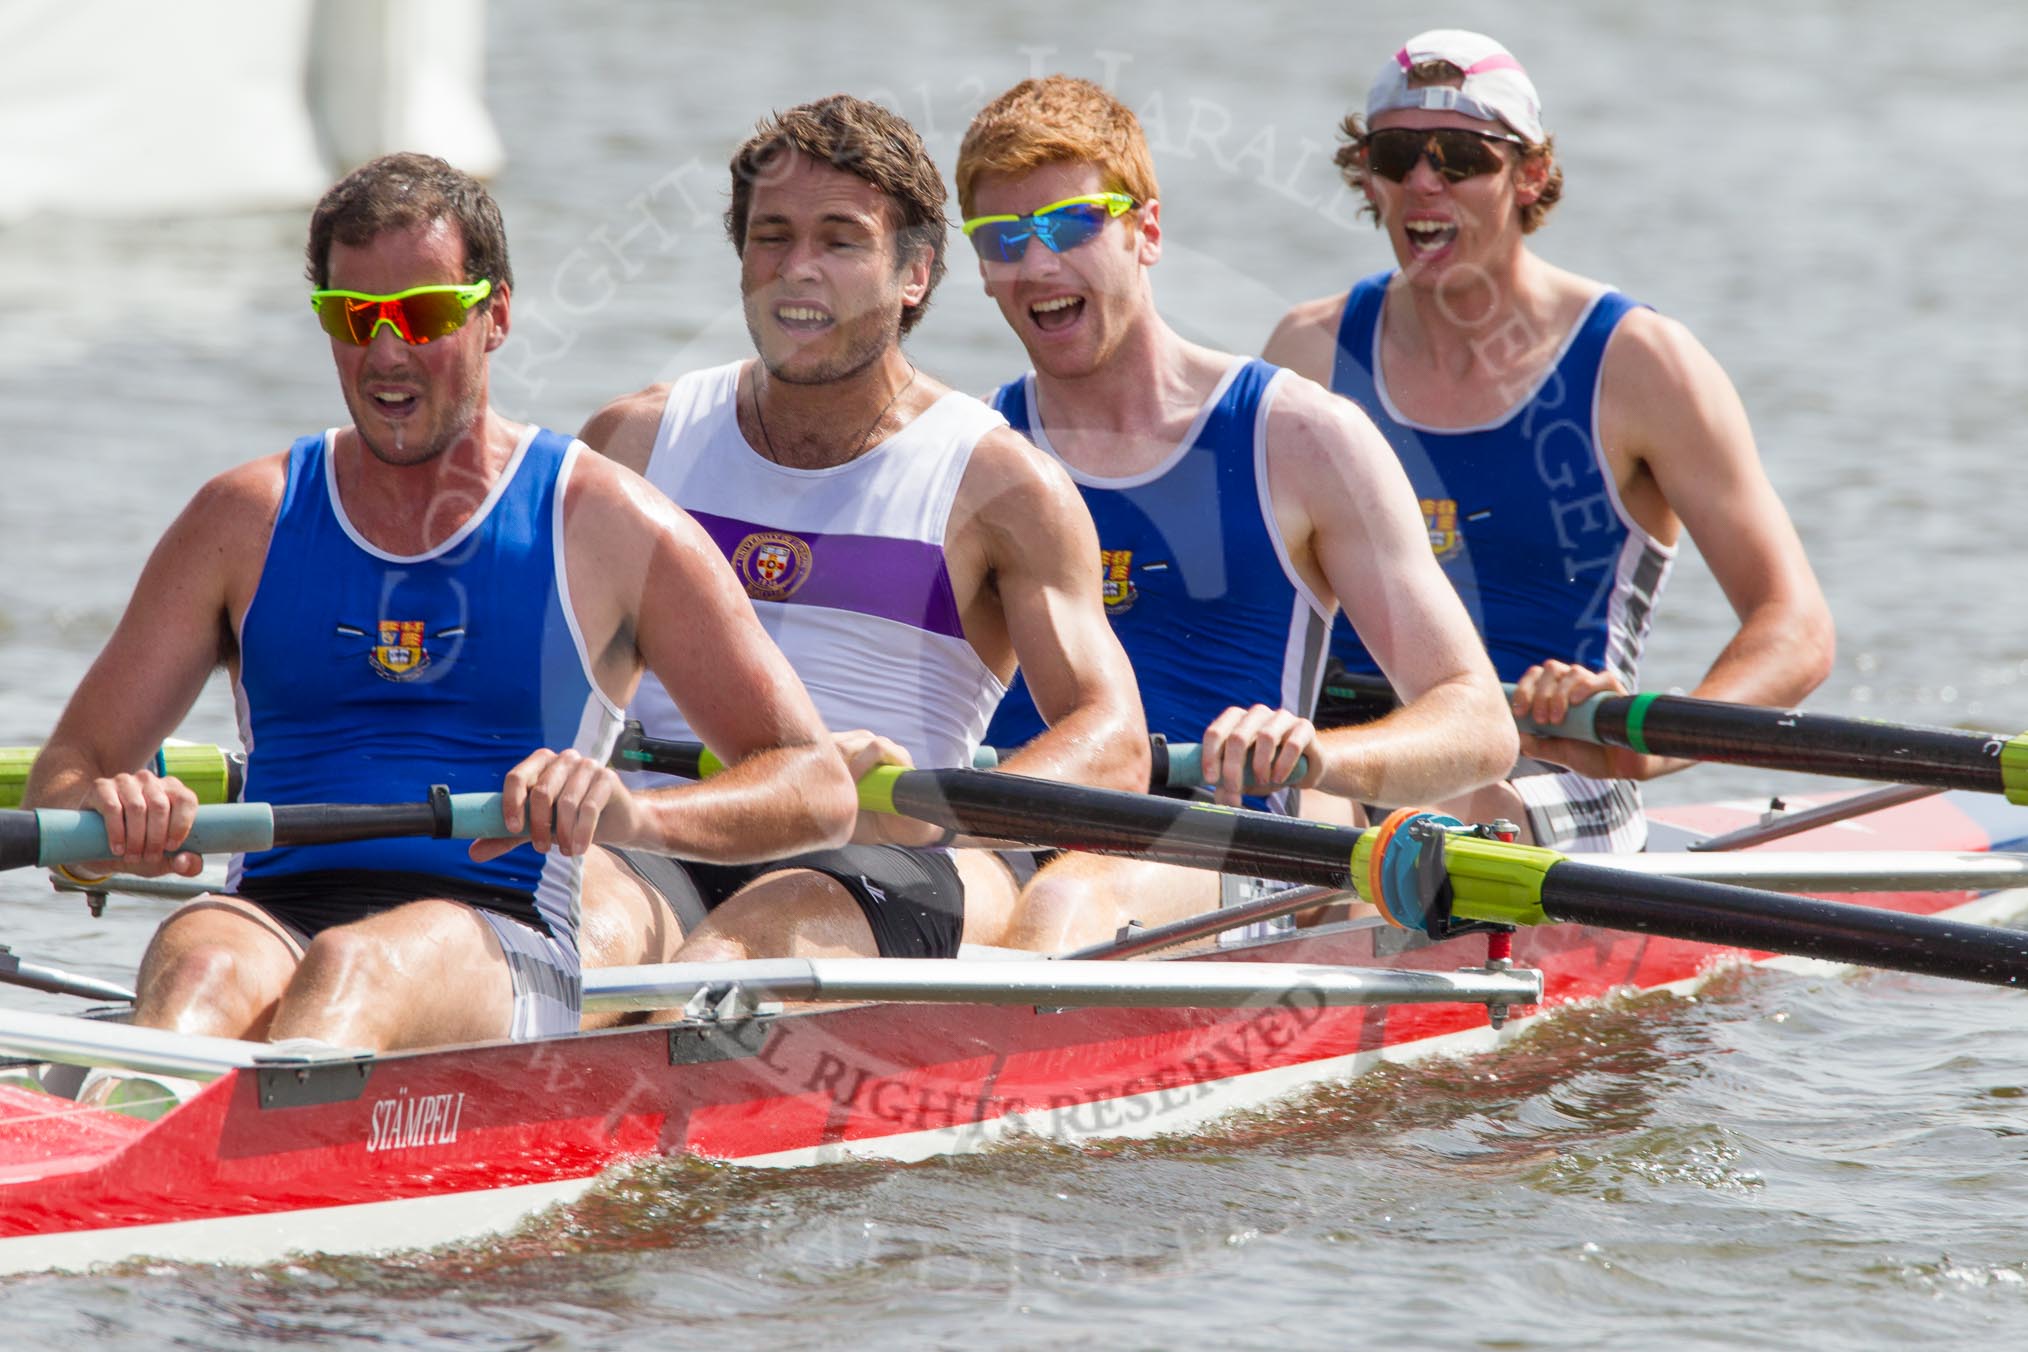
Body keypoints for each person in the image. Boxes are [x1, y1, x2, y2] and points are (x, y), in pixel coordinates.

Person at [22, 153, 858, 1069]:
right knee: (200, 975)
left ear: (495, 314)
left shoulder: (606, 524)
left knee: (357, 966)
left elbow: (817, 787)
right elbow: (65, 777)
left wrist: (634, 816)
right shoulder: (241, 521)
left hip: (503, 931)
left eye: (422, 316)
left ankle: (228, 1165)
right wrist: (109, 828)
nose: (386, 352)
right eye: (354, 318)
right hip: (267, 908)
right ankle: (138, 1158)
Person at [578, 94, 1150, 966]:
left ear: (913, 272)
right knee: (585, 934)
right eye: (772, 236)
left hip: (882, 853)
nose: (796, 269)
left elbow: (1113, 744)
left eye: (840, 240)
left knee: (736, 957)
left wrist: (939, 807)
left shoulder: (998, 483)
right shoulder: (633, 443)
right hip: (669, 829)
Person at [953, 76, 1516, 952]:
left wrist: (1324, 757)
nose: (1038, 265)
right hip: (1011, 832)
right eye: (1003, 238)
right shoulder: (969, 451)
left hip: (1232, 846)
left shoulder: (1300, 438)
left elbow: (1477, 723)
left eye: (1071, 226)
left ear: (1146, 230)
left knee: (1066, 908)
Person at [1263, 30, 1834, 851]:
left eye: (1459, 156)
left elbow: (1796, 626)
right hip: (1349, 751)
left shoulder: (1641, 365)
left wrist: (1655, 742)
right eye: (1396, 154)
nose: (1425, 181)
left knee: (1450, 820)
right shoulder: (1308, 353)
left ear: (1528, 173)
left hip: (1549, 761)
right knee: (1287, 817)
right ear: (1369, 179)